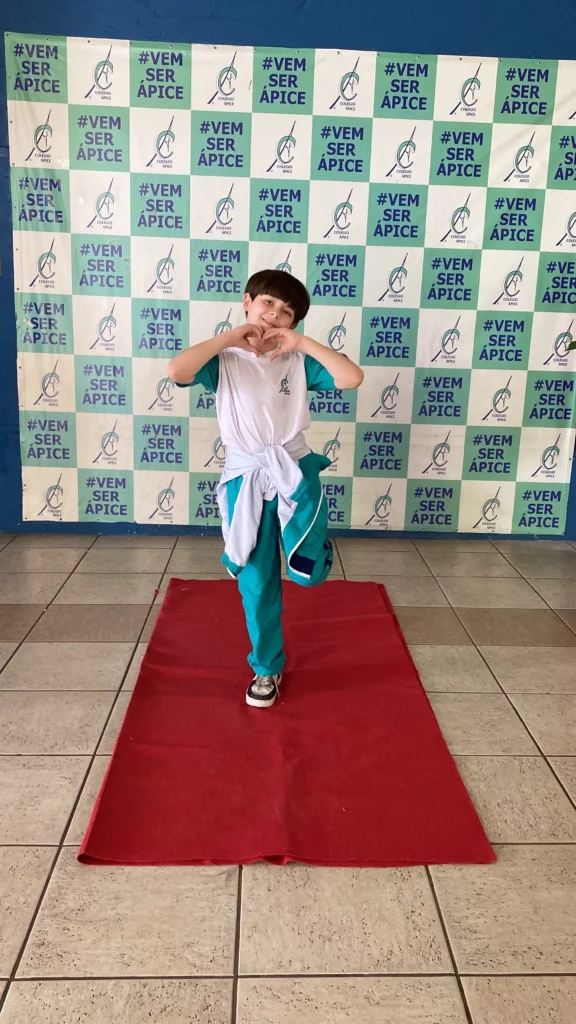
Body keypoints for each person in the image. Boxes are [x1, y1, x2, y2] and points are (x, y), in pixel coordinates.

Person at [168, 270, 363, 708]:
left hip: (293, 472)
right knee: (257, 582)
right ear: (248, 302)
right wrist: (230, 338)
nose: (275, 314)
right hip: (247, 478)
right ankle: (266, 667)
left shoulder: (298, 361)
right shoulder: (224, 360)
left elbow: (351, 378)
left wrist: (303, 344)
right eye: (268, 303)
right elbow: (176, 370)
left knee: (308, 572)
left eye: (287, 312)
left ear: (293, 323)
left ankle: (310, 544)